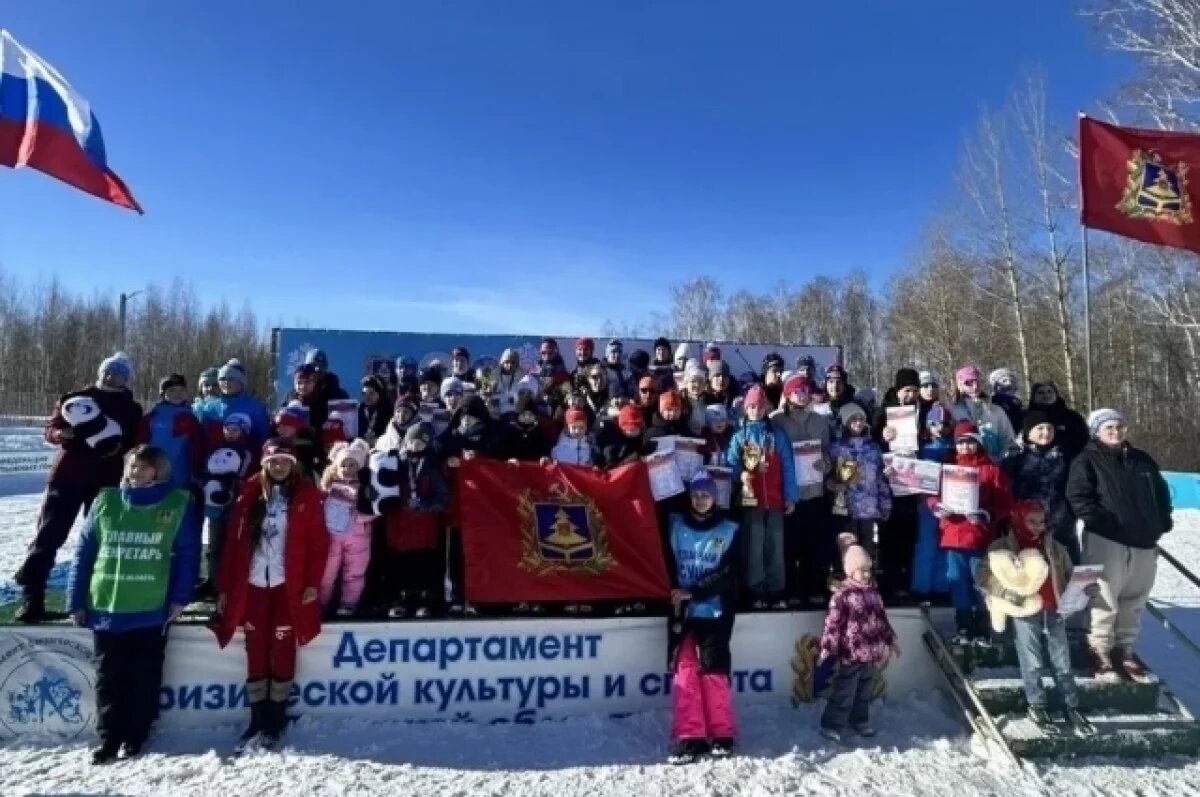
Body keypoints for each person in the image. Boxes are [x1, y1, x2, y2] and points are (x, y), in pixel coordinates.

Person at [67, 445, 200, 764]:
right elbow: (84, 553)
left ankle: (136, 736)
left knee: (144, 676)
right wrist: (76, 600)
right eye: (132, 466)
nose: (136, 472)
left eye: (144, 467)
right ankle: (110, 737)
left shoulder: (177, 504)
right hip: (107, 606)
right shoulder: (106, 501)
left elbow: (187, 555)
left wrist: (180, 598)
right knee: (108, 677)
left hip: (150, 608)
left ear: (159, 471)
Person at [214, 438, 329, 752]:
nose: (279, 467)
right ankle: (257, 717)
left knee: (282, 647)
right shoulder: (248, 495)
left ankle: (276, 717)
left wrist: (311, 583)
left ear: (293, 465)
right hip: (252, 585)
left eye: (285, 461)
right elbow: (231, 548)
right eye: (274, 461)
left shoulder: (306, 496)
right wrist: (225, 587)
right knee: (255, 647)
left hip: (286, 585)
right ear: (264, 464)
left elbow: (319, 544)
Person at [15, 353, 144, 623]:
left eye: (119, 372)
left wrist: (125, 453)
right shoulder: (75, 397)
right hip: (68, 476)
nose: (112, 376)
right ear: (100, 372)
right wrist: (61, 434)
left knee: (100, 540)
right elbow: (51, 429)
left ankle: (94, 596)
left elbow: (136, 443)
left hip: (106, 481)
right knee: (49, 536)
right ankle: (32, 597)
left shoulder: (132, 408)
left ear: (126, 377)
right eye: (108, 371)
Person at [1067, 409, 1172, 682]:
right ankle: (1100, 650)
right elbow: (1079, 497)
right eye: (1108, 427)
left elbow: (1161, 492)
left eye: (1119, 426)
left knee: (1134, 598)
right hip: (1107, 539)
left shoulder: (1142, 460)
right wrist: (1102, 523)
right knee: (1104, 596)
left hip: (1144, 541)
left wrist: (1162, 520)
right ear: (1096, 431)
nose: (1115, 431)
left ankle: (1124, 649)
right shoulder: (1087, 460)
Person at [976, 500, 1093, 735]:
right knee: (1032, 660)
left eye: (1041, 522)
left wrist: (1084, 587)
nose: (1038, 527)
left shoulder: (1054, 546)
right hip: (1026, 611)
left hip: (1054, 609)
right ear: (1018, 519)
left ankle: (1070, 704)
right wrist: (1005, 592)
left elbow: (1070, 573)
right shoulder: (1002, 547)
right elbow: (983, 575)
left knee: (1062, 660)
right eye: (1032, 521)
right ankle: (1037, 703)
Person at [663, 471, 740, 765]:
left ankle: (722, 734)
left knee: (714, 672)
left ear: (714, 497)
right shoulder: (675, 524)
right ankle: (690, 737)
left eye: (706, 495)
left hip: (714, 609)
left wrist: (694, 592)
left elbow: (728, 573)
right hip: (682, 612)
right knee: (684, 671)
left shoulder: (729, 527)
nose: (701, 500)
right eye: (696, 494)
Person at [935, 421, 1012, 640]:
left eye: (970, 443)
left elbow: (1005, 503)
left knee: (981, 581)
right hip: (952, 533)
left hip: (980, 536)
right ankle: (964, 623)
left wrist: (987, 514)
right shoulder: (946, 468)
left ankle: (983, 623)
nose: (966, 448)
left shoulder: (991, 469)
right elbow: (931, 494)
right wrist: (936, 506)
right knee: (956, 580)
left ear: (978, 443)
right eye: (961, 443)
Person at [818, 541, 899, 743]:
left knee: (864, 691)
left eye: (868, 570)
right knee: (845, 691)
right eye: (861, 570)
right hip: (852, 654)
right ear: (850, 571)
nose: (866, 574)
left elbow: (882, 620)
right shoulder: (843, 595)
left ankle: (859, 720)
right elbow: (832, 624)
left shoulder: (873, 593)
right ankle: (832, 724)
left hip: (871, 653)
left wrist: (890, 640)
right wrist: (828, 647)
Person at [726, 385, 796, 610]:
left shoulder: (777, 434)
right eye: (752, 406)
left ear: (767, 407)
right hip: (751, 500)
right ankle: (755, 590)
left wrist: (790, 495)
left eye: (760, 406)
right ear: (746, 408)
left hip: (775, 499)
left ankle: (776, 589)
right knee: (754, 547)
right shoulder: (739, 435)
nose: (756, 410)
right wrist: (743, 474)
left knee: (775, 546)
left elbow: (788, 465)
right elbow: (731, 464)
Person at [771, 375, 833, 605]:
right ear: (787, 394)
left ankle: (814, 588)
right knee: (789, 544)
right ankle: (791, 590)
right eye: (797, 391)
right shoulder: (776, 420)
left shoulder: (819, 419)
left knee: (813, 544)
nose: (802, 395)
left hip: (814, 489)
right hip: (789, 492)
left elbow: (828, 449)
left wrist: (826, 462)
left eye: (806, 390)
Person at [383, 423, 448, 618]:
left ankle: (424, 601)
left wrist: (425, 507)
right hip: (400, 522)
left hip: (423, 523)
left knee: (423, 564)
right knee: (401, 564)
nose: (415, 445)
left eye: (420, 442)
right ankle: (402, 599)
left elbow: (443, 497)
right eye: (412, 441)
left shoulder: (432, 464)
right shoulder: (397, 461)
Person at [1003, 409, 1079, 565]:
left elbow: (1075, 487)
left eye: (1050, 428)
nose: (1046, 432)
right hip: (1026, 528)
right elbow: (1005, 489)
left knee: (1065, 573)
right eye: (1040, 428)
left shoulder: (1065, 456)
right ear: (1028, 432)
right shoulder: (1016, 457)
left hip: (1060, 526)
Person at [873, 368, 922, 600]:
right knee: (888, 533)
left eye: (914, 390)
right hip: (890, 480)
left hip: (914, 482)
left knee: (909, 535)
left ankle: (906, 581)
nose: (910, 395)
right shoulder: (884, 412)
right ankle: (888, 583)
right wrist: (882, 436)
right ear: (897, 390)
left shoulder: (923, 411)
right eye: (906, 390)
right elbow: (871, 440)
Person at [827, 404, 891, 566]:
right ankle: (847, 585)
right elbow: (828, 476)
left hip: (868, 509)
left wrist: (885, 504)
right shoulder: (836, 447)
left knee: (867, 551)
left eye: (861, 419)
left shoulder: (873, 447)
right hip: (846, 509)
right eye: (853, 419)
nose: (858, 422)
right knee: (848, 550)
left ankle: (867, 586)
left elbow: (880, 478)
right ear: (845, 422)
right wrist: (833, 485)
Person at [318, 440, 374, 617]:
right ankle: (321, 602)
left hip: (358, 535)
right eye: (343, 465)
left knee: (354, 572)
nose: (348, 469)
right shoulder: (328, 485)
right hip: (331, 536)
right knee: (326, 572)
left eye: (352, 465)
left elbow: (375, 509)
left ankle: (349, 603)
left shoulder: (366, 486)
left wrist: (359, 513)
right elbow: (318, 508)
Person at [910, 405, 954, 600]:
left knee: (945, 544)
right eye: (935, 424)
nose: (940, 428)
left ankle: (941, 587)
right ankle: (921, 588)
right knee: (926, 544)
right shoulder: (921, 447)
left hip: (951, 500)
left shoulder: (955, 447)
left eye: (944, 424)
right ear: (928, 425)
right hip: (927, 502)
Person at [139, 373, 206, 490]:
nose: (177, 394)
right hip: (154, 472)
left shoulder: (191, 417)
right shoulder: (152, 417)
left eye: (181, 390)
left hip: (182, 473)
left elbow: (199, 447)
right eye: (172, 390)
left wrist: (197, 471)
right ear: (163, 393)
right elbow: (140, 444)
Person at [950, 364, 1016, 461]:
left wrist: (1002, 460)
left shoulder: (995, 410)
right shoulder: (953, 412)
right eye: (969, 383)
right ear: (960, 386)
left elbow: (1008, 439)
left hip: (994, 466)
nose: (975, 386)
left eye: (977, 382)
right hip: (964, 467)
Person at [1028, 381, 1089, 460]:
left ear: (1056, 394)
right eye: (1040, 392)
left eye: (1050, 391)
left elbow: (1083, 440)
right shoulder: (1026, 417)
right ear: (1033, 397)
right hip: (1033, 463)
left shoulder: (1072, 417)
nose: (1046, 395)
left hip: (1067, 463)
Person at [599, 404, 651, 468]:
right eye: (632, 429)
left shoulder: (638, 433)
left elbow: (643, 446)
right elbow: (609, 467)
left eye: (638, 427)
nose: (636, 431)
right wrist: (624, 462)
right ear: (623, 428)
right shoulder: (610, 438)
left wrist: (639, 453)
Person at [358, 375, 393, 448]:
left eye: (371, 393)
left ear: (380, 394)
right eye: (364, 393)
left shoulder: (388, 411)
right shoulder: (361, 409)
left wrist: (377, 441)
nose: (367, 397)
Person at [988, 367, 1025, 436]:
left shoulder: (1017, 404)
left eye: (1011, 381)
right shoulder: (991, 404)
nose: (1009, 383)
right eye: (1004, 381)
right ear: (995, 386)